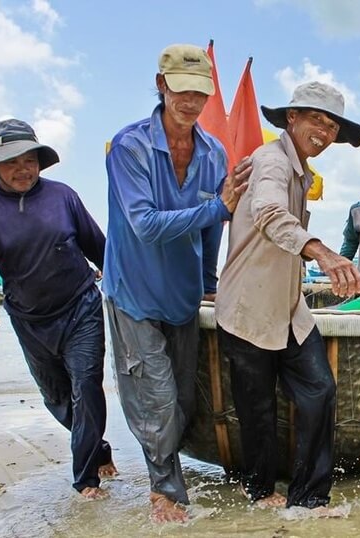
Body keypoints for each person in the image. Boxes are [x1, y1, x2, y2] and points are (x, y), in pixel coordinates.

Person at [102, 44, 250, 523]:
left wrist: (208, 282)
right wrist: (217, 207)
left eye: (200, 93)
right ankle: (166, 492)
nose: (190, 101)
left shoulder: (213, 153)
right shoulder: (130, 147)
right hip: (133, 293)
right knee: (155, 396)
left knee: (185, 400)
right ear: (161, 84)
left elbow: (212, 229)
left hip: (183, 295)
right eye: (181, 90)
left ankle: (165, 469)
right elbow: (144, 224)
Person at [214, 81, 360, 514]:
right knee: (258, 409)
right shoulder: (270, 161)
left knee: (319, 390)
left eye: (332, 124)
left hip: (289, 308)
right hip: (247, 307)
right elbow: (267, 212)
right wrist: (322, 252)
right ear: (291, 118)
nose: (324, 129)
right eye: (315, 118)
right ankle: (261, 492)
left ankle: (310, 498)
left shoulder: (304, 173)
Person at [0, 118, 116, 500]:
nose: (22, 169)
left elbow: (100, 248)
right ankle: (99, 448)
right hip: (30, 320)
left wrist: (133, 285)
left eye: (28, 159)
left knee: (87, 388)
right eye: (11, 162)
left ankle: (86, 482)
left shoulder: (63, 196)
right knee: (58, 399)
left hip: (81, 306)